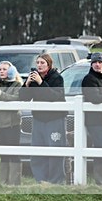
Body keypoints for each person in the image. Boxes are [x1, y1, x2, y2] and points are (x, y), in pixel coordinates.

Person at [19, 52, 66, 185]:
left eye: (42, 63)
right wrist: (27, 84)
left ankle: (56, 181)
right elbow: (23, 98)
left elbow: (54, 96)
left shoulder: (57, 78)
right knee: (37, 150)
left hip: (55, 119)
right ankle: (41, 179)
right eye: (37, 63)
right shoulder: (33, 78)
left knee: (55, 149)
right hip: (39, 119)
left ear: (49, 65)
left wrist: (41, 83)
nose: (39, 65)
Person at [81, 52, 102, 186]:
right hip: (96, 122)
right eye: (95, 62)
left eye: (100, 62)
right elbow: (94, 99)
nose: (98, 64)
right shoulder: (89, 79)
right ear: (91, 64)